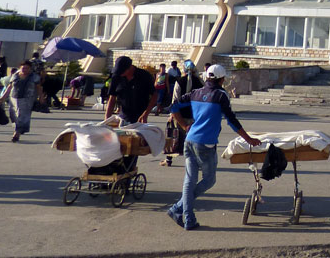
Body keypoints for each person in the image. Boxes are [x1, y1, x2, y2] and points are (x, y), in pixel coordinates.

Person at [167, 63, 260, 231]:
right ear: (221, 79)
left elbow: (173, 106)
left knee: (189, 180)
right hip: (206, 144)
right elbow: (232, 120)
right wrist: (249, 139)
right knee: (209, 180)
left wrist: (183, 125)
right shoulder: (221, 95)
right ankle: (178, 209)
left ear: (207, 77)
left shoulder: (196, 93)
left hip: (190, 140)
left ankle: (187, 217)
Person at [106, 56, 157, 124]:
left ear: (130, 68)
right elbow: (112, 99)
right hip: (123, 117)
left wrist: (145, 114)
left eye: (122, 71)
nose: (120, 74)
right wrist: (106, 120)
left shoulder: (144, 76)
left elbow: (155, 95)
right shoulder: (116, 77)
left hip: (140, 118)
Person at [4, 60, 38, 142]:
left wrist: (41, 98)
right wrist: (3, 97)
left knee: (21, 116)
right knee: (14, 116)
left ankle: (16, 134)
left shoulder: (34, 77)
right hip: (14, 98)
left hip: (27, 99)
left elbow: (39, 87)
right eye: (23, 68)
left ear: (30, 69)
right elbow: (9, 87)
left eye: (27, 68)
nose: (24, 70)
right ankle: (19, 129)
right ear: (20, 68)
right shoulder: (15, 76)